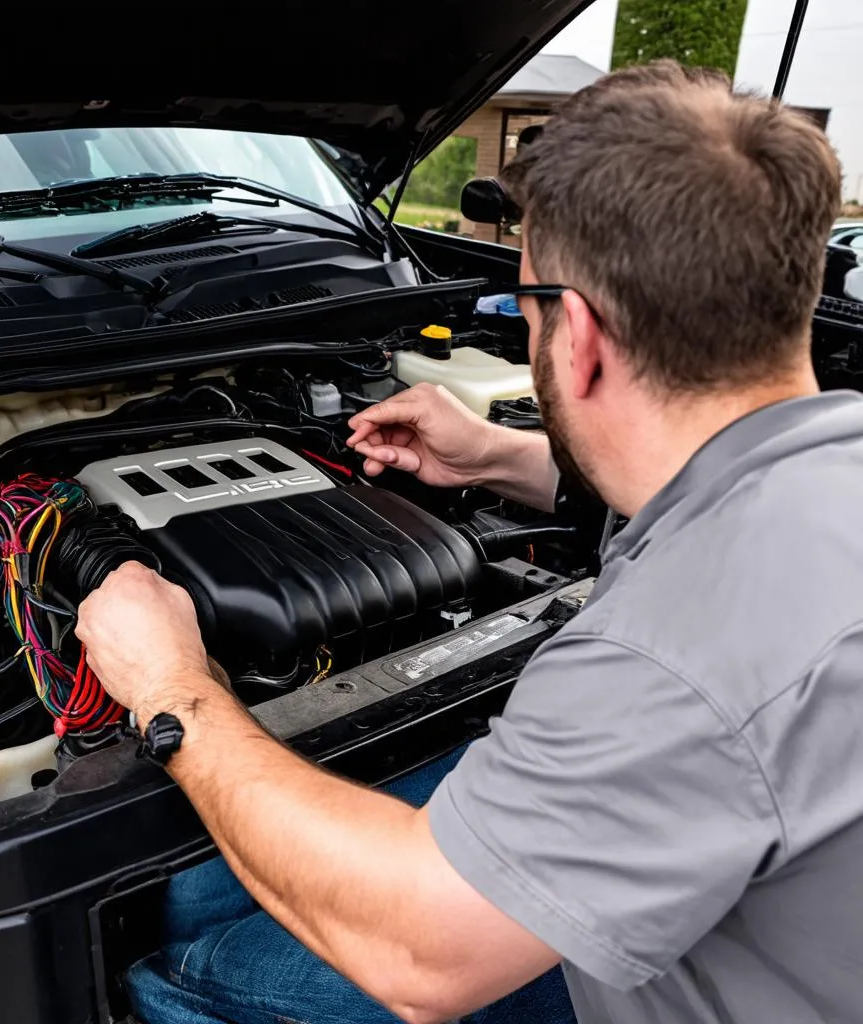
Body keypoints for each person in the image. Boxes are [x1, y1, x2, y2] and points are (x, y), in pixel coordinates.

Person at [76, 60, 862, 1024]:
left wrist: (173, 693)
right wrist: (505, 457)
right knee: (196, 886)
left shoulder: (675, 650)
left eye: (521, 307)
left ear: (575, 335)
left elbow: (421, 956)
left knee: (177, 970)